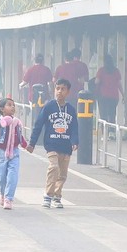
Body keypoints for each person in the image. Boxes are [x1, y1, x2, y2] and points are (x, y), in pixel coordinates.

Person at [34, 78, 79, 209]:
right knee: (54, 167)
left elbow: (74, 127)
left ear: (68, 92)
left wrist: (75, 141)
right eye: (57, 88)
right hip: (51, 144)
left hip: (65, 146)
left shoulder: (71, 109)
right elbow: (38, 124)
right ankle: (48, 195)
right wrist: (32, 142)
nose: (59, 91)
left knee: (62, 174)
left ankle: (57, 196)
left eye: (63, 89)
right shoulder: (49, 107)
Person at [0, 96, 32, 210]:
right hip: (2, 152)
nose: (12, 107)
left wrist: (26, 145)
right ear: (2, 109)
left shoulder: (16, 122)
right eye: (9, 105)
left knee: (12, 176)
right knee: (0, 175)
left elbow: (20, 137)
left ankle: (8, 198)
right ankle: (2, 193)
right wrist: (3, 122)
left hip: (14, 152)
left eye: (13, 105)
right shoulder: (1, 121)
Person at [95, 53, 123, 123]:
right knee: (112, 114)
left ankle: (104, 127)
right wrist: (123, 94)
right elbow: (119, 84)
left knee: (103, 115)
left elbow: (97, 82)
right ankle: (111, 128)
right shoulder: (116, 71)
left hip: (103, 96)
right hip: (114, 97)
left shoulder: (101, 70)